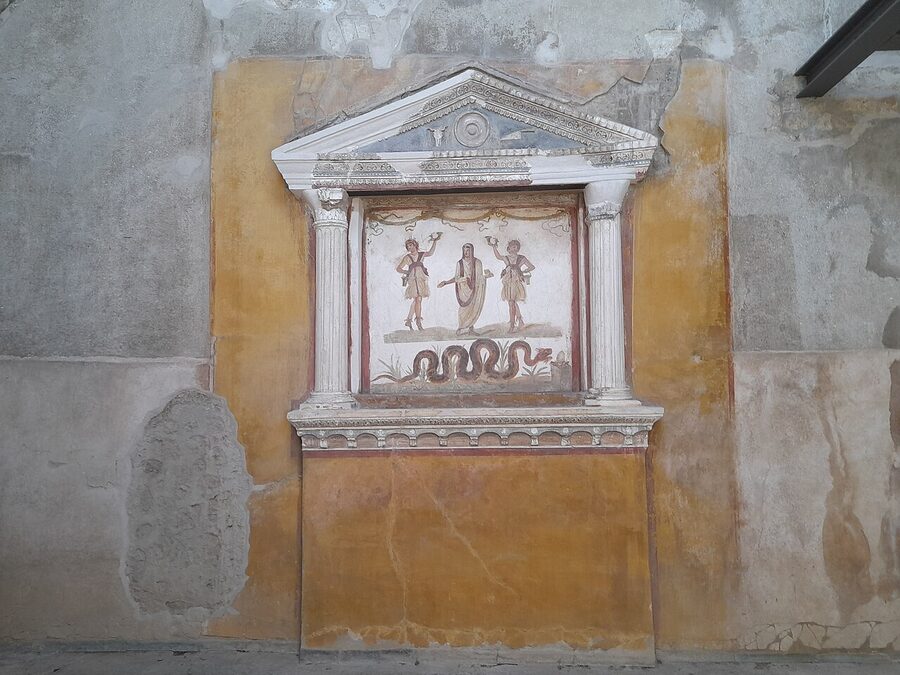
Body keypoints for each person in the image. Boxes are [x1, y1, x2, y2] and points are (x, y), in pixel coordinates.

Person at [438, 243, 492, 335]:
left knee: (473, 308)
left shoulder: (477, 262)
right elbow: (457, 277)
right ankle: (461, 328)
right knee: (463, 310)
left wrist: (487, 276)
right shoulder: (460, 263)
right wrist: (446, 282)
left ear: (472, 251)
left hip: (475, 288)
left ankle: (470, 329)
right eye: (465, 250)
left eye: (468, 250)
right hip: (463, 290)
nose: (466, 252)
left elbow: (479, 277)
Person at [488, 237, 535, 333]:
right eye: (511, 247)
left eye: (515, 247)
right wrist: (494, 247)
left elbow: (532, 266)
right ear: (508, 248)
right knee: (512, 302)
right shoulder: (507, 258)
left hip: (516, 282)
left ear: (518, 248)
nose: (513, 248)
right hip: (508, 282)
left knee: (511, 303)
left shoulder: (521, 258)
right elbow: (498, 256)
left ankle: (512, 325)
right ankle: (520, 320)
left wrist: (524, 271)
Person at [396, 233, 441, 330]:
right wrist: (406, 271)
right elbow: (398, 268)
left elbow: (430, 253)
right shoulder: (407, 257)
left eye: (411, 245)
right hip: (412, 280)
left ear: (415, 245)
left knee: (417, 300)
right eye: (408, 246)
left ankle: (409, 320)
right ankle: (418, 322)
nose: (410, 248)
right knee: (418, 299)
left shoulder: (421, 254)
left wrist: (435, 241)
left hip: (421, 279)